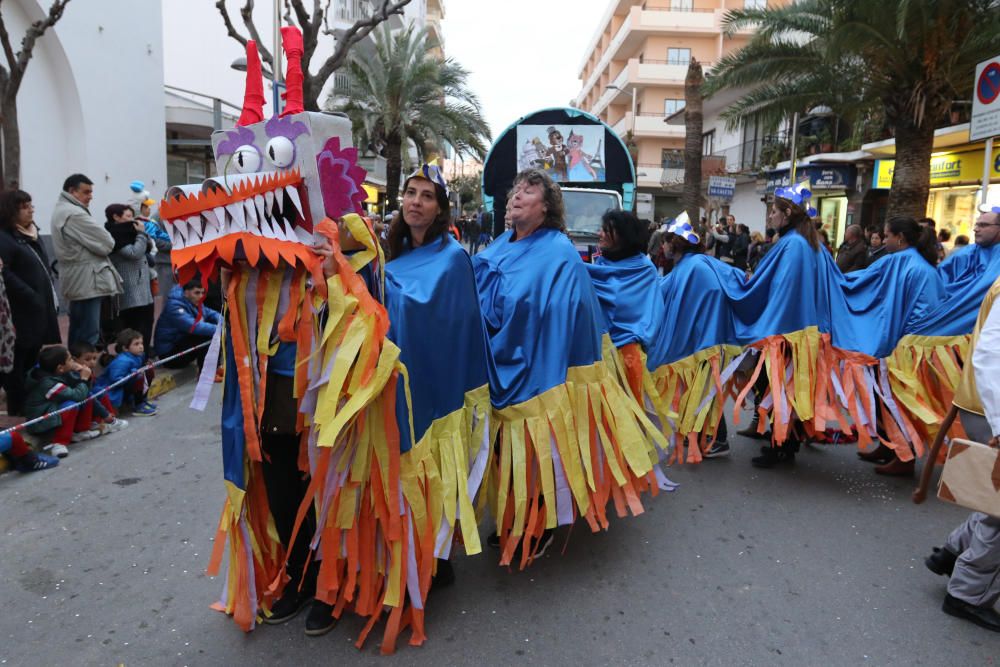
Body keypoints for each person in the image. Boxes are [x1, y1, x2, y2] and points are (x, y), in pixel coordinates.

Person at [473, 168, 664, 567]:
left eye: (529, 190)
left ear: (547, 207)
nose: (517, 195)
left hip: (545, 370)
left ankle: (536, 523)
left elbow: (562, 310)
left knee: (537, 450)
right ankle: (516, 516)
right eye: (516, 188)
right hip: (500, 362)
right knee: (506, 450)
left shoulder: (557, 251)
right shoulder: (499, 244)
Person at [916, 276, 1000, 632]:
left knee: (995, 502)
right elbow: (992, 356)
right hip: (990, 409)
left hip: (985, 407)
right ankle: (968, 594)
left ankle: (952, 553)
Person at [842, 217, 945, 476]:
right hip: (892, 343)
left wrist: (902, 343)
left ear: (900, 238)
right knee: (883, 399)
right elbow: (862, 280)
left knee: (898, 401)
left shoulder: (919, 269)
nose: (882, 240)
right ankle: (889, 445)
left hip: (908, 348)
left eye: (886, 236)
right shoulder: (897, 262)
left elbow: (927, 314)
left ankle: (905, 456)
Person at [0, 190, 61, 414]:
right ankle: (17, 408)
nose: (31, 210)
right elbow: (4, 271)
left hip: (37, 308)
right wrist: (29, 293)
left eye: (30, 205)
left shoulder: (29, 235)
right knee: (17, 361)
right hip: (19, 310)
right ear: (11, 211)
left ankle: (26, 402)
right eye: (25, 206)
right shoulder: (5, 238)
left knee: (30, 356)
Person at [51, 174, 123, 346]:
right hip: (87, 279)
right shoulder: (74, 213)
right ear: (72, 191)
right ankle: (85, 370)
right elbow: (107, 243)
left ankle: (78, 367)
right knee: (88, 333)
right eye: (86, 192)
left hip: (81, 278)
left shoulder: (64, 209)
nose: (90, 196)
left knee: (79, 328)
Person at [23, 345, 100, 458]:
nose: (73, 361)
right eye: (69, 359)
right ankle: (58, 443)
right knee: (71, 405)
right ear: (60, 367)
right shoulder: (48, 384)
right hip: (40, 423)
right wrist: (84, 378)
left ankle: (81, 431)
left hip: (51, 410)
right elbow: (77, 395)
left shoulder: (52, 370)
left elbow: (77, 388)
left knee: (86, 394)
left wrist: (76, 370)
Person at [105, 204, 155, 353]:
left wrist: (142, 236)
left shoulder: (130, 233)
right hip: (130, 290)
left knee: (146, 325)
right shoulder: (114, 235)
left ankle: (143, 356)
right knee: (133, 328)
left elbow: (149, 247)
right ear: (116, 217)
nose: (132, 220)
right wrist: (141, 234)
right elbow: (134, 253)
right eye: (128, 216)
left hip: (143, 290)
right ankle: (133, 358)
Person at [153, 281, 222, 368]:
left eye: (202, 293)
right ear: (186, 293)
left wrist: (224, 323)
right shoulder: (174, 306)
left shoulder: (192, 300)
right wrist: (221, 329)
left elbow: (211, 313)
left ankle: (215, 368)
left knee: (213, 328)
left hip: (180, 344)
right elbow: (194, 326)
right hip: (169, 356)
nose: (201, 296)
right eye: (197, 293)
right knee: (208, 335)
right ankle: (207, 371)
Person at [68, 340, 128, 434]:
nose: (92, 362)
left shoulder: (86, 370)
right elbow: (83, 392)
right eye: (87, 359)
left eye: (94, 358)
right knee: (91, 395)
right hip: (77, 401)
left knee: (99, 391)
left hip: (87, 399)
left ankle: (104, 420)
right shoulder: (74, 374)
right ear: (74, 360)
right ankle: (107, 420)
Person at [95, 329, 156, 416]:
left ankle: (142, 400)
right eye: (136, 344)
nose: (141, 346)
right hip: (113, 389)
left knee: (149, 371)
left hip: (126, 384)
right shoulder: (122, 361)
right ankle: (138, 406)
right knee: (139, 376)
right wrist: (133, 373)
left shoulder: (138, 355)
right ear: (125, 348)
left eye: (141, 343)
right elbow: (116, 380)